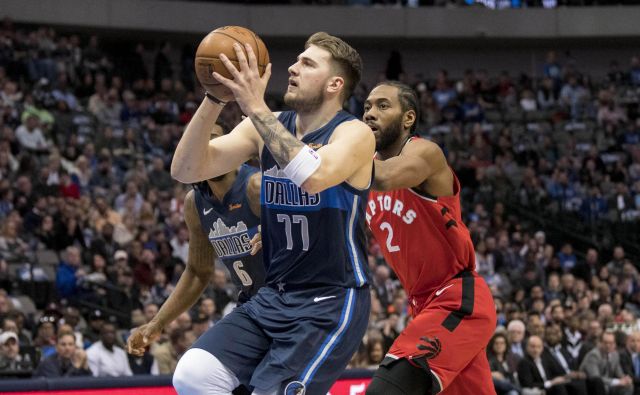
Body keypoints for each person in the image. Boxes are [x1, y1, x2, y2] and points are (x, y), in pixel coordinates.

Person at [166, 32, 374, 395]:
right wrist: (215, 98)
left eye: (308, 64)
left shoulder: (353, 133)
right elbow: (185, 170)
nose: (292, 68)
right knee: (193, 374)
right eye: (296, 60)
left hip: (329, 302)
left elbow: (314, 177)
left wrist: (255, 107)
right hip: (273, 297)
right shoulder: (264, 126)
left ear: (334, 84)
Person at [363, 80, 496, 395]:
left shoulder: (425, 153)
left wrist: (331, 153)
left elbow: (385, 177)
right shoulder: (365, 175)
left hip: (456, 298)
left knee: (385, 391)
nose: (370, 113)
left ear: (408, 118)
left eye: (383, 105)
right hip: (422, 307)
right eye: (367, 106)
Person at [128, 124, 264, 392]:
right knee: (193, 377)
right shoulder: (195, 203)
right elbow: (198, 271)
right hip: (252, 306)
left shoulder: (256, 185)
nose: (207, 148)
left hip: (291, 302)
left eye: (214, 141)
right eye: (199, 144)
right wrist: (158, 323)